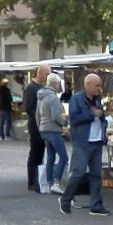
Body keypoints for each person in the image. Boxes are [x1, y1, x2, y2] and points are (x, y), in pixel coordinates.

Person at [60, 72, 110, 216]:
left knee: (96, 174)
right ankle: (66, 199)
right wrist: (92, 115)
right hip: (82, 141)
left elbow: (101, 116)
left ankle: (96, 204)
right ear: (88, 85)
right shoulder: (77, 99)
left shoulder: (97, 99)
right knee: (78, 172)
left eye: (100, 86)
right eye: (97, 85)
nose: (99, 88)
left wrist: (104, 124)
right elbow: (74, 119)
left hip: (97, 140)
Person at [37, 73, 70, 193]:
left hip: (44, 129)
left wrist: (40, 128)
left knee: (50, 156)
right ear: (56, 84)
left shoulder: (41, 97)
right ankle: (56, 182)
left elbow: (37, 115)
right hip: (53, 130)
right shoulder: (53, 97)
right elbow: (56, 115)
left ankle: (49, 183)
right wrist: (65, 123)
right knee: (64, 157)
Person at [24, 64, 49, 192]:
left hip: (43, 124)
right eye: (47, 74)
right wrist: (39, 119)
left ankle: (39, 179)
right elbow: (29, 108)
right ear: (40, 73)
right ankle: (32, 181)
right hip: (35, 126)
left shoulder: (43, 87)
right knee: (35, 152)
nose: (47, 76)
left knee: (40, 152)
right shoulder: (31, 88)